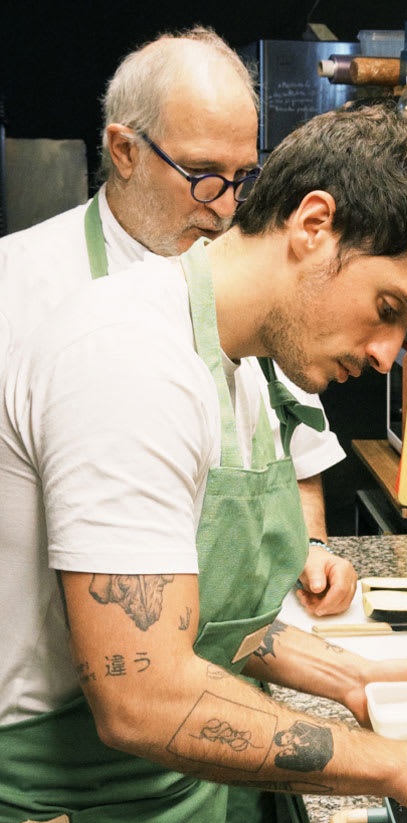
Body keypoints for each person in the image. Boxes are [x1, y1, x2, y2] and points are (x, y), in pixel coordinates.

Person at [0, 103, 407, 823]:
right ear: (314, 224)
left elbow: (206, 618)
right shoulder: (129, 359)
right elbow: (142, 694)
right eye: (388, 310)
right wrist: (405, 767)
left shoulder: (234, 366)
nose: (386, 355)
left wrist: (350, 677)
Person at [0, 26, 358, 619]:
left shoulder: (255, 289)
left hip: (220, 649)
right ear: (124, 151)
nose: (225, 205)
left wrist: (312, 549)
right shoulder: (17, 284)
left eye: (244, 177)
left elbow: (297, 458)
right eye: (202, 172)